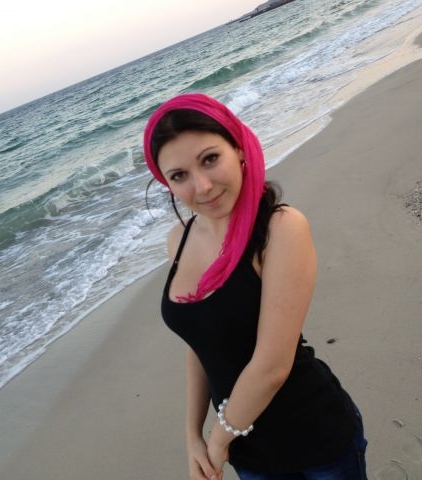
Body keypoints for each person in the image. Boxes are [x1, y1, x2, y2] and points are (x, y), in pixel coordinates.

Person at [143, 93, 368, 480]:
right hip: (248, 455)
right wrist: (192, 435)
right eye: (179, 176)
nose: (203, 186)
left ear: (237, 148)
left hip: (316, 439)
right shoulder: (178, 240)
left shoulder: (280, 228)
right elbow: (200, 343)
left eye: (210, 159)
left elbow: (272, 366)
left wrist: (218, 441)